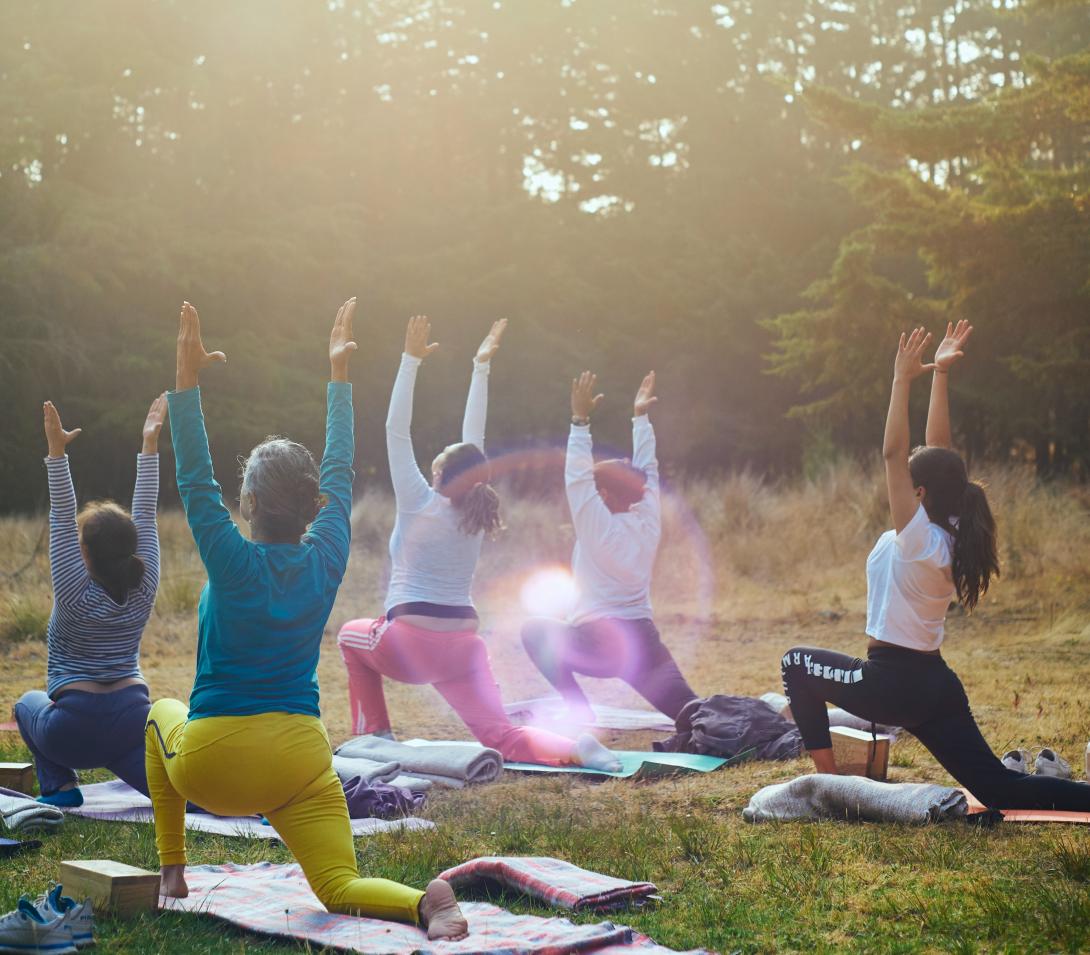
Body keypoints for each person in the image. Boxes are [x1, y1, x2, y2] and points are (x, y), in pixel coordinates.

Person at [145, 301, 468, 940]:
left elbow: (194, 478)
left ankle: (172, 871)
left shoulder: (230, 558)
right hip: (300, 759)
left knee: (159, 709)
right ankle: (423, 903)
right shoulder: (326, 559)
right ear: (313, 503)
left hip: (215, 766)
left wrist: (186, 384)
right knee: (337, 886)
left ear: (252, 503)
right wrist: (339, 379)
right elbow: (341, 474)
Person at [780, 321, 1090, 810]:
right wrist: (940, 375)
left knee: (794, 663)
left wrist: (902, 380)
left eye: (908, 481)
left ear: (918, 492)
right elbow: (938, 451)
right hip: (933, 686)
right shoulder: (949, 527)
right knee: (1000, 790)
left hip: (890, 684)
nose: (900, 482)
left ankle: (833, 788)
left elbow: (892, 452)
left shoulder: (920, 538)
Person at [337, 316, 620, 771]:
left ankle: (376, 737)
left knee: (350, 637)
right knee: (500, 735)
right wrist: (480, 367)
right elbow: (475, 441)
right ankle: (579, 748)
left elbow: (396, 429)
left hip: (408, 643)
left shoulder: (419, 501)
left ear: (437, 473)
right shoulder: (474, 511)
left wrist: (409, 360)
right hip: (464, 646)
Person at [520, 371, 698, 723]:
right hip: (643, 645)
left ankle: (579, 713)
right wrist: (641, 419)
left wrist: (579, 421)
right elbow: (648, 470)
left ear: (602, 495)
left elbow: (576, 479)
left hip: (597, 645)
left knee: (533, 630)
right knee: (695, 714)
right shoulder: (648, 520)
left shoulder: (595, 527)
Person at [14, 394, 166, 806]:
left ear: (83, 553)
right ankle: (239, 801)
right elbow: (146, 513)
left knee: (25, 704)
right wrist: (149, 446)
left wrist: (57, 452)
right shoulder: (146, 581)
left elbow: (62, 514)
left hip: (73, 730)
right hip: (134, 721)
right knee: (178, 795)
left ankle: (61, 788)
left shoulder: (72, 591)